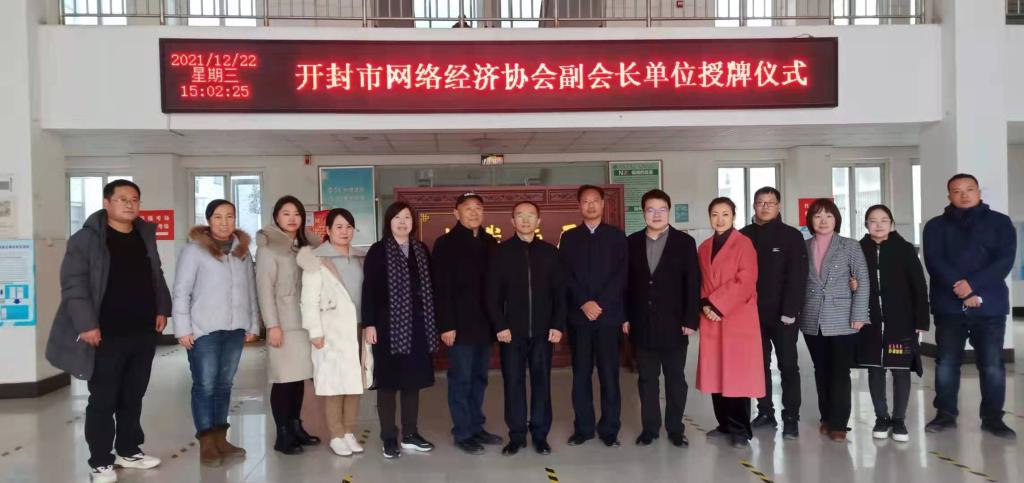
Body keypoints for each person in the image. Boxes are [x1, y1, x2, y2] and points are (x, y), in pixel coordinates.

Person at [46, 180, 170, 483]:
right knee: (103, 398)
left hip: (142, 330)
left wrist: (162, 308)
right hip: (106, 334)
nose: (129, 204)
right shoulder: (86, 239)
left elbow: (156, 273)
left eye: (135, 199)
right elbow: (74, 285)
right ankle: (100, 460)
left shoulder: (144, 234)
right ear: (107, 202)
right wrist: (86, 324)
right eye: (122, 199)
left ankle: (128, 450)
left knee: (133, 395)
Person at [923, 174, 1017, 439]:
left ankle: (993, 419)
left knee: (992, 364)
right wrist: (962, 290)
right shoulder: (935, 226)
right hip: (948, 306)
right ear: (949, 195)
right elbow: (934, 262)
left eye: (969, 189)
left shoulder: (1000, 223)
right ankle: (945, 414)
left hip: (989, 307)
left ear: (978, 192)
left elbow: (1004, 261)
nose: (964, 195)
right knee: (946, 363)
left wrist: (973, 287)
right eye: (957, 191)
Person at [173, 200, 259, 466]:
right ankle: (207, 443)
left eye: (229, 216)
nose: (224, 222)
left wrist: (253, 324)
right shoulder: (194, 250)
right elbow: (181, 291)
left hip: (235, 329)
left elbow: (250, 289)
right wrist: (182, 328)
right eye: (218, 217)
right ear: (209, 220)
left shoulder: (242, 251)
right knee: (205, 385)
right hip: (204, 330)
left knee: (224, 385)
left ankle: (221, 439)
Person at [486, 201, 567, 456]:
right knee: (513, 383)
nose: (525, 219)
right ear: (512, 221)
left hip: (543, 332)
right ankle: (517, 435)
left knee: (542, 383)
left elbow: (560, 293)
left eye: (531, 215)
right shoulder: (500, 252)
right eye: (520, 215)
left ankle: (540, 435)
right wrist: (500, 325)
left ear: (538, 221)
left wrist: (557, 324)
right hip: (511, 333)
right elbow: (491, 295)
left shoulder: (550, 252)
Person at [362, 202, 439, 459]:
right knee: (387, 383)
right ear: (389, 221)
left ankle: (410, 434)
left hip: (417, 327)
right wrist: (369, 323)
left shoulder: (420, 249)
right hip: (387, 328)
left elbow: (430, 288)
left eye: (407, 217)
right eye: (397, 217)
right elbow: (369, 289)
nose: (403, 222)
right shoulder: (378, 251)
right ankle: (388, 436)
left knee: (412, 382)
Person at [624, 189, 700, 449]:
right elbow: (626, 284)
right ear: (643, 212)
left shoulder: (684, 242)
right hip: (642, 323)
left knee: (675, 379)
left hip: (675, 324)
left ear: (669, 211)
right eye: (650, 210)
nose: (656, 215)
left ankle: (676, 429)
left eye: (661, 210)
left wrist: (691, 319)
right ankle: (650, 428)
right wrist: (625, 316)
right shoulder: (632, 242)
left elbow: (692, 283)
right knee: (647, 379)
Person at [431, 192, 503, 455]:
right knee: (460, 380)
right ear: (456, 213)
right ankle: (462, 432)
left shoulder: (490, 242)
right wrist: (446, 325)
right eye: (468, 208)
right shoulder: (445, 244)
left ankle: (476, 426)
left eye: (478, 208)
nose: (473, 213)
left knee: (480, 378)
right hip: (459, 326)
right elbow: (441, 288)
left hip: (485, 325)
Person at [559, 184, 628, 448]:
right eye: (585, 201)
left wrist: (600, 303)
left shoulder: (616, 236)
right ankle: (584, 428)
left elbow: (622, 274)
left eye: (595, 201)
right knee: (581, 375)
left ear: (602, 204)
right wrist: (584, 302)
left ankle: (610, 429)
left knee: (609, 375)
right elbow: (564, 274)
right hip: (580, 318)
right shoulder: (569, 238)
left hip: (608, 317)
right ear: (579, 206)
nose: (590, 205)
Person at [297, 208, 368, 457]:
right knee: (334, 384)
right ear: (327, 230)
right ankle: (336, 435)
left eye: (349, 227)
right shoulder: (316, 259)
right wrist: (314, 332)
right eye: (339, 227)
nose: (344, 231)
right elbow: (308, 300)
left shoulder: (360, 258)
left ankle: (349, 431)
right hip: (331, 330)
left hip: (358, 329)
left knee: (355, 383)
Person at [798, 198, 870, 442]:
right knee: (821, 370)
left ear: (836, 219)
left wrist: (859, 314)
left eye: (828, 216)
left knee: (839, 371)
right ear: (810, 221)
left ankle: (839, 423)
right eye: (818, 216)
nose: (823, 221)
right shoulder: (804, 246)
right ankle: (826, 418)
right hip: (812, 318)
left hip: (842, 318)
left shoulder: (850, 246)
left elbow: (863, 280)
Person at [856, 204, 929, 443]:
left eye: (884, 220)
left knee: (900, 370)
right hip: (870, 321)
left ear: (891, 223)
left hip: (901, 320)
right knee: (875, 369)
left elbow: (919, 286)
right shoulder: (859, 249)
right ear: (866, 224)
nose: (878, 224)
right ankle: (881, 417)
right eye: (873, 220)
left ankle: (899, 420)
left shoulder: (904, 249)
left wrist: (921, 320)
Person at [695, 197, 765, 449]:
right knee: (716, 373)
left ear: (733, 216)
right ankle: (723, 423)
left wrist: (717, 305)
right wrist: (704, 304)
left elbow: (746, 280)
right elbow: (700, 281)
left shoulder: (744, 244)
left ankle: (740, 429)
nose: (720, 219)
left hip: (737, 318)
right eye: (715, 214)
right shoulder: (704, 247)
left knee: (736, 375)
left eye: (725, 214)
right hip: (712, 319)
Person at [739, 187, 807, 439]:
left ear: (778, 206)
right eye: (761, 202)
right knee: (758, 365)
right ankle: (765, 411)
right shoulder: (743, 236)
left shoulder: (791, 236)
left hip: (783, 316)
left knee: (788, 365)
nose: (765, 206)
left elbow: (798, 276)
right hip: (751, 315)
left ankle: (791, 417)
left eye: (771, 202)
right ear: (754, 206)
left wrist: (790, 311)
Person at [256, 195, 321, 454]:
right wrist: (272, 325)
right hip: (282, 323)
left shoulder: (306, 246)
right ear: (276, 217)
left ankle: (296, 426)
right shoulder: (268, 248)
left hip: (304, 322)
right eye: (286, 213)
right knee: (283, 379)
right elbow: (264, 290)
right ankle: (282, 434)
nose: (292, 218)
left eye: (297, 213)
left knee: (298, 378)